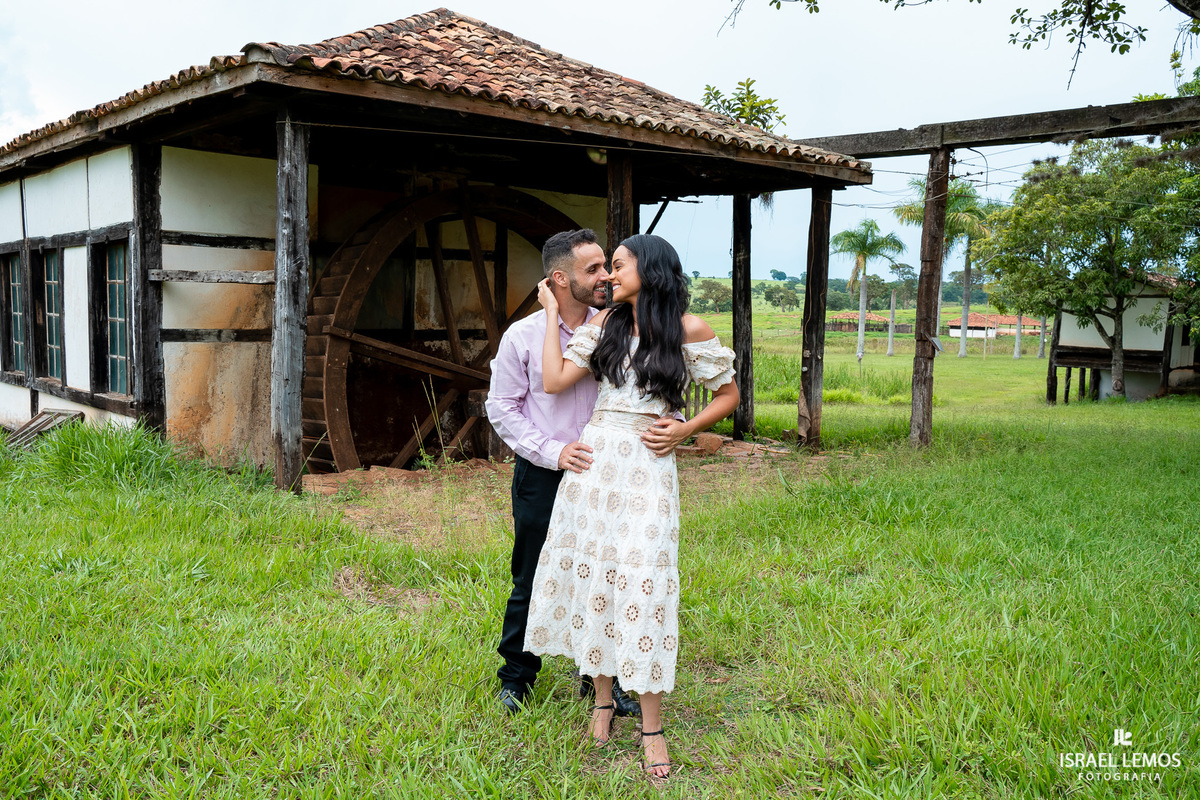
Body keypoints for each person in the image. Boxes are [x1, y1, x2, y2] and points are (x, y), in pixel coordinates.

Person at [524, 234, 739, 779]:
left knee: (643, 583)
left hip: (647, 471)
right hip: (596, 468)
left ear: (653, 269)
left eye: (617, 266)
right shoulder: (604, 326)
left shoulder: (689, 329)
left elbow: (728, 395)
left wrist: (686, 429)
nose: (609, 275)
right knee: (597, 580)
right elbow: (553, 381)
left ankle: (652, 727)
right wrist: (552, 314)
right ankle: (600, 700)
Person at [485, 228, 640, 718]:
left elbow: (647, 385)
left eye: (607, 266)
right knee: (531, 575)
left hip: (607, 475)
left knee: (607, 576)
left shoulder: (618, 328)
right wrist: (553, 452)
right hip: (544, 473)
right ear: (559, 278)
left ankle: (601, 681)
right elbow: (502, 407)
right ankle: (516, 678)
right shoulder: (524, 336)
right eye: (593, 269)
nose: (606, 277)